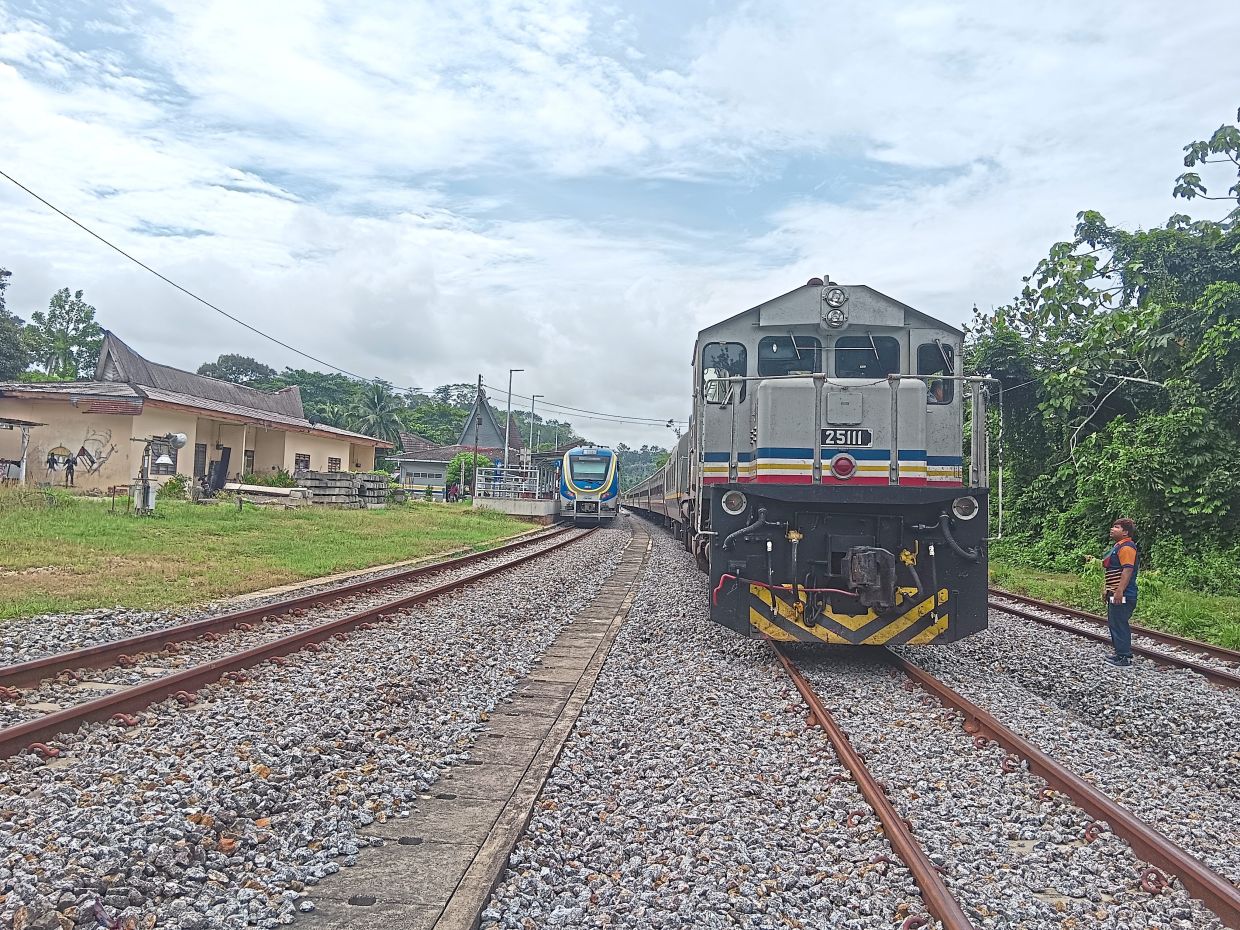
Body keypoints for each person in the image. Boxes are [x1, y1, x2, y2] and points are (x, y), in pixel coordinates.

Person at [1101, 518, 1139, 667]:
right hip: (1117, 592)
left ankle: (1124, 657)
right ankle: (1119, 654)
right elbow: (1114, 571)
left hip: (1124, 594)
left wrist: (1119, 591)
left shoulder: (1127, 547)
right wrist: (1109, 589)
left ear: (1125, 532)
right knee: (1115, 622)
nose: (1112, 529)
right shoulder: (1119, 546)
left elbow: (1127, 570)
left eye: (1116, 527)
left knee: (1119, 623)